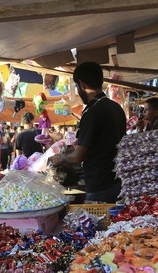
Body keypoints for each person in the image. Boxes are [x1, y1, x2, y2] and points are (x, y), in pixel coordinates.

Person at [50, 61, 126, 203]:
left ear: (82, 84)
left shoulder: (93, 111)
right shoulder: (116, 108)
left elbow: (77, 157)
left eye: (77, 86)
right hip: (117, 181)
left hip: (100, 185)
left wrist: (61, 158)